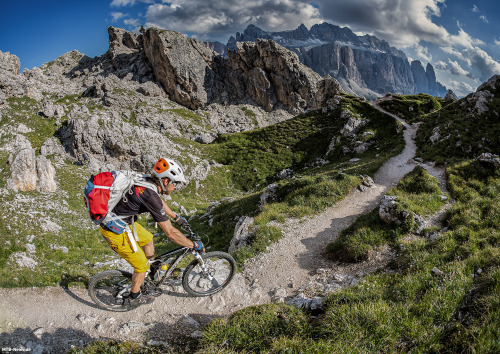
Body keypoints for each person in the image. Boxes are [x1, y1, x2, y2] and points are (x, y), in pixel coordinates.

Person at [99, 157, 204, 309]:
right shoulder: (150, 195)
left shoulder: (148, 182)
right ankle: (133, 297)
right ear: (166, 181)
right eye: (175, 184)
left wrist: (176, 217)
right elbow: (171, 233)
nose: (175, 188)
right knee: (140, 266)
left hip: (123, 223)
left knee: (148, 238)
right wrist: (193, 245)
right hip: (115, 231)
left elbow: (160, 202)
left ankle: (151, 274)